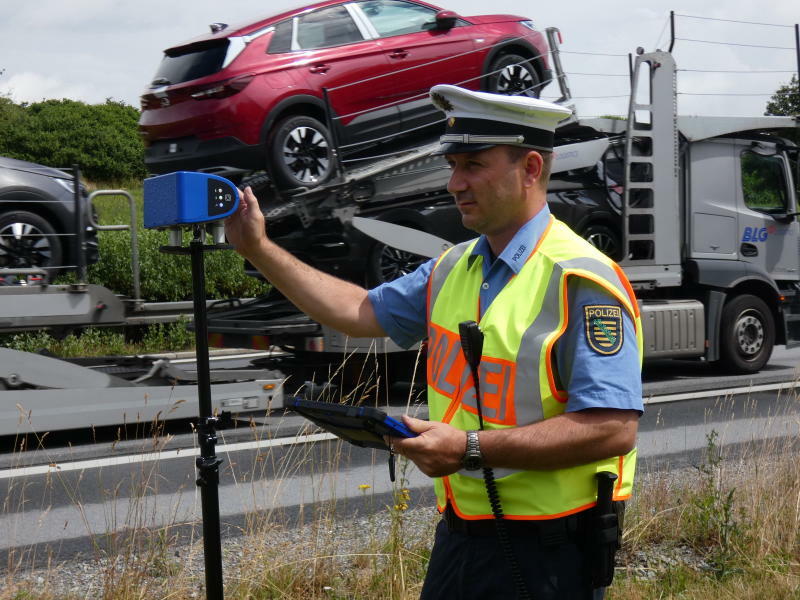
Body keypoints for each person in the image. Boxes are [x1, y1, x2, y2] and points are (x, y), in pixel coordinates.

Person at [225, 84, 643, 600]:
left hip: (551, 553)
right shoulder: (454, 266)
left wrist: (467, 448)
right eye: (453, 165)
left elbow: (613, 429)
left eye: (472, 164)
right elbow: (357, 312)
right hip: (462, 536)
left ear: (531, 168)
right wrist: (259, 248)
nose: (453, 183)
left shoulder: (581, 278)